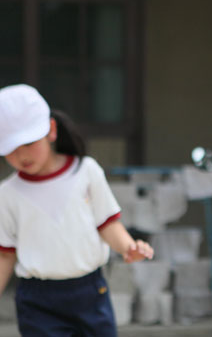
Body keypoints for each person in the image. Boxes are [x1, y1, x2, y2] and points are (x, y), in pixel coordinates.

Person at [0, 84, 154, 337]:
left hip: (90, 292)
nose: (21, 155)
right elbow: (5, 255)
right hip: (37, 302)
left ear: (51, 130)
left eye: (28, 142)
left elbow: (107, 223)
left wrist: (128, 247)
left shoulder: (86, 171)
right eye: (10, 148)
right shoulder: (7, 193)